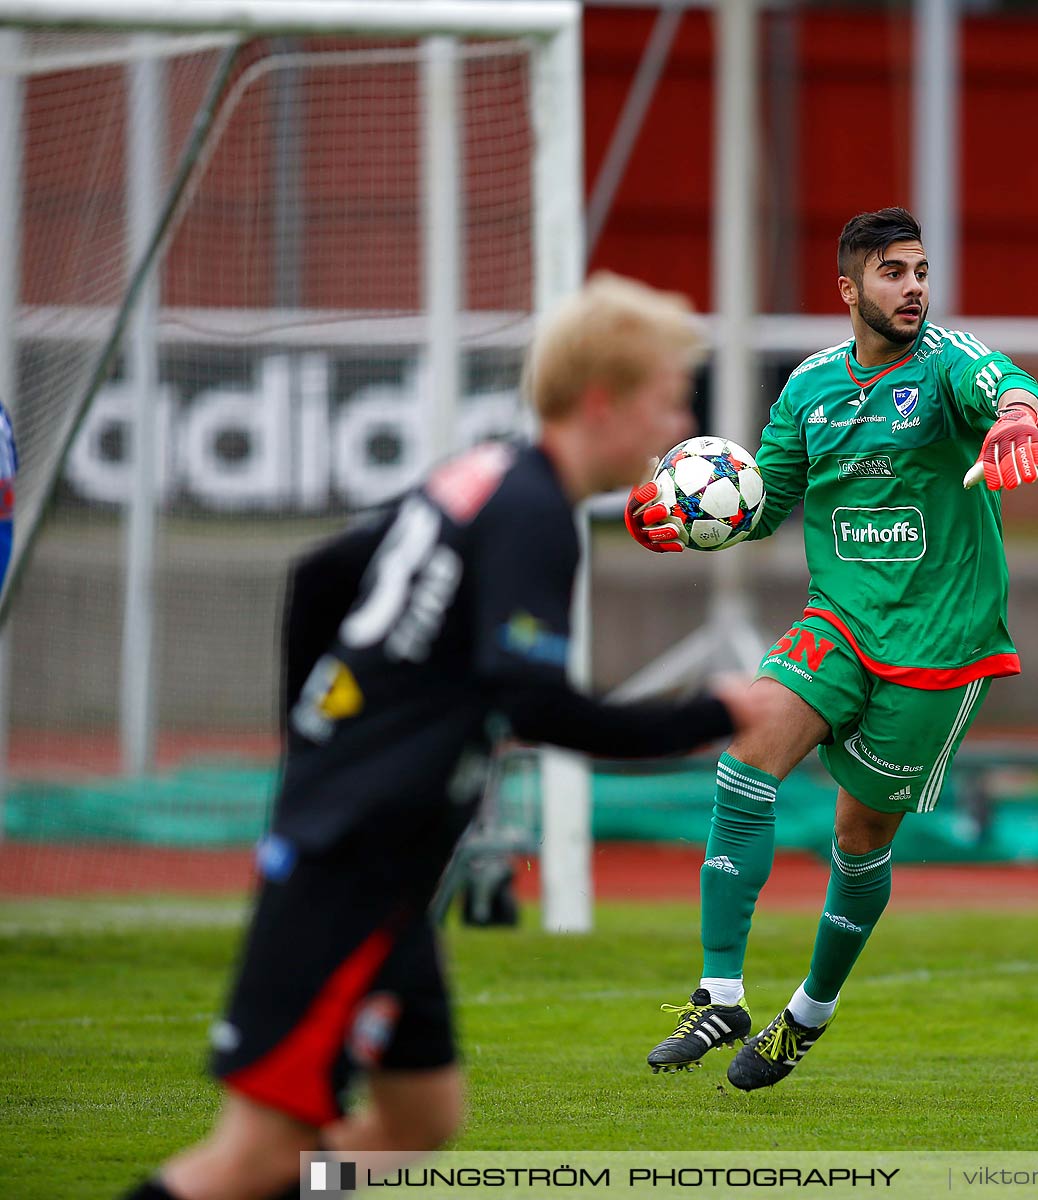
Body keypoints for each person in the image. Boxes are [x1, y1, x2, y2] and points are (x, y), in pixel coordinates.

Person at [123, 273, 773, 1200]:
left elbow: (320, 576)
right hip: (353, 860)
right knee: (259, 1155)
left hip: (384, 860)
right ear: (604, 401)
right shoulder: (535, 514)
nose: (678, 424)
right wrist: (711, 713)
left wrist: (315, 745)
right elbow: (535, 703)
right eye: (669, 398)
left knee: (420, 1120)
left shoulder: (486, 473)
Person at [627, 207, 1038, 1090]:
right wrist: (687, 517)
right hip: (840, 623)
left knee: (860, 836)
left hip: (941, 645)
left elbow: (1009, 385)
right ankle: (719, 993)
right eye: (894, 273)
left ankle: (806, 1015)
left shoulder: (947, 366)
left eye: (921, 271)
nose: (915, 289)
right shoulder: (811, 386)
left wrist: (1014, 419)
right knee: (746, 759)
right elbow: (764, 501)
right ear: (849, 289)